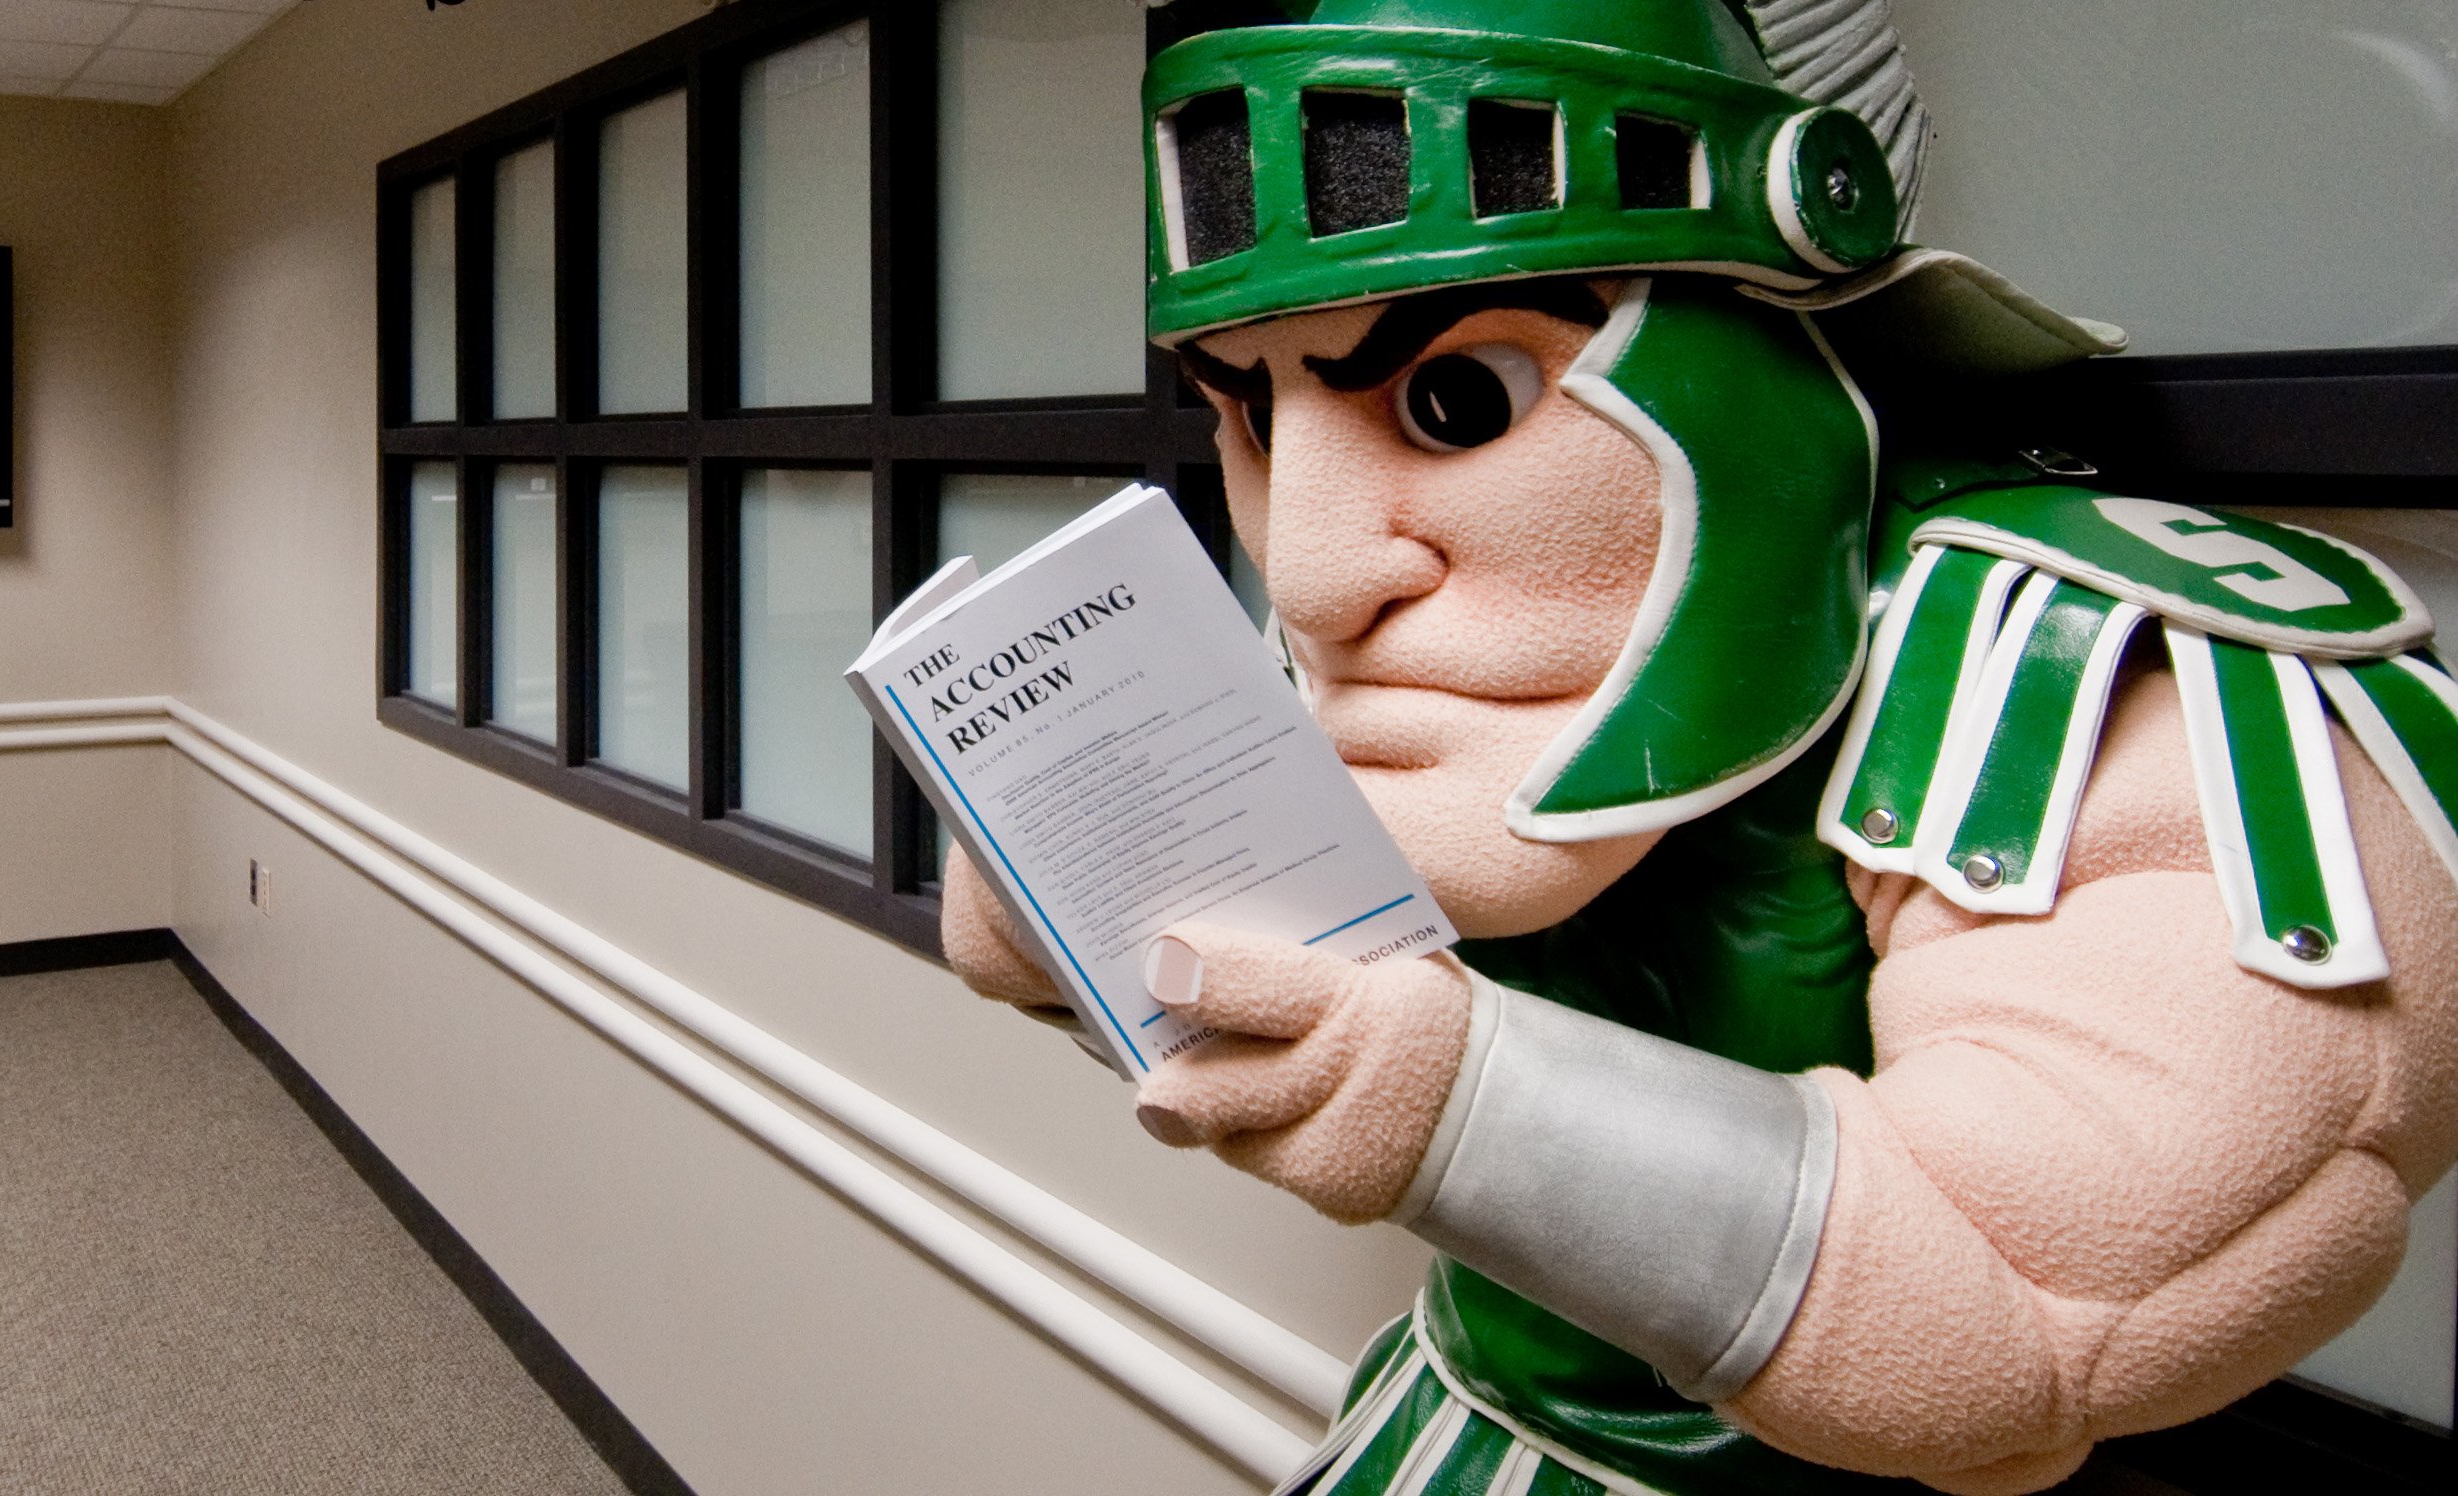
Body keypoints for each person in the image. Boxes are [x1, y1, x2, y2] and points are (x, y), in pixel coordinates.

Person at [941, 3, 2458, 1492]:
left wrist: (1457, 1102)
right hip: (1448, 1428)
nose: (1319, 574)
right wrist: (1108, 905)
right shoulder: (1449, 637)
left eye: (1457, 399)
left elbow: (2030, 1299)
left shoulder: (2090, 672)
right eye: (1257, 422)